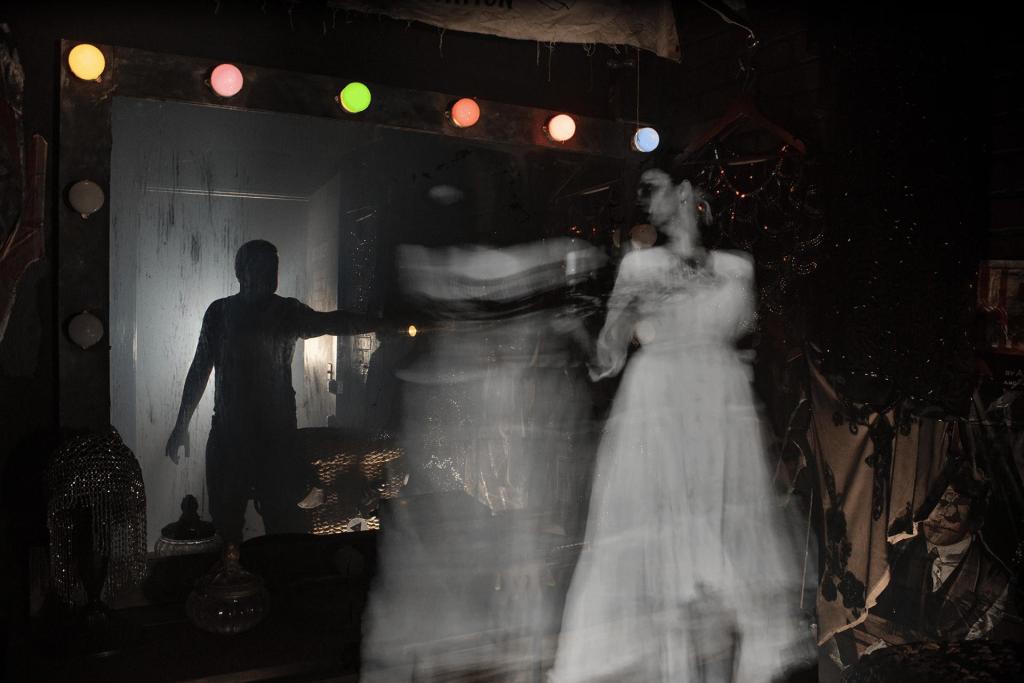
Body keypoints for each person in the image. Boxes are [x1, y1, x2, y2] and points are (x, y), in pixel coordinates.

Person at [548, 168, 813, 682]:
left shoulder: (738, 268)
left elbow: (749, 341)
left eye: (653, 187)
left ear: (686, 191)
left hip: (720, 406)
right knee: (667, 540)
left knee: (721, 535)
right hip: (659, 405)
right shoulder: (640, 266)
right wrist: (582, 333)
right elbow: (609, 357)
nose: (645, 201)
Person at [165, 239, 389, 556]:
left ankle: (276, 585)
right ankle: (239, 584)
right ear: (243, 272)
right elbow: (200, 369)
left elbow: (331, 322)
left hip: (272, 439)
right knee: (230, 526)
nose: (272, 274)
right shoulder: (224, 313)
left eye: (274, 267)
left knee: (282, 525)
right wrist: (180, 424)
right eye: (264, 266)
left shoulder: (282, 312)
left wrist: (375, 323)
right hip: (236, 438)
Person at [868, 462, 1019, 645]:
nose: (939, 515)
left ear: (975, 521)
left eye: (957, 505)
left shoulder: (994, 581)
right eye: (938, 501)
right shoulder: (894, 547)